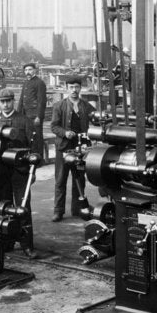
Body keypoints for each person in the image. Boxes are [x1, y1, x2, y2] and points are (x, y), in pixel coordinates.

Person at [0, 89, 38, 258]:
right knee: (3, 207)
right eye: (2, 101)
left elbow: (35, 150)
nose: (5, 104)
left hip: (21, 171)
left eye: (8, 101)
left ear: (13, 101)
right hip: (2, 172)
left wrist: (32, 172)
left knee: (23, 208)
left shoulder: (24, 121)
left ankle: (27, 245)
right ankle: (7, 242)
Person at [50, 74, 95, 222]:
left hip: (80, 149)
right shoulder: (59, 106)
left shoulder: (86, 106)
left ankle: (77, 209)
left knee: (79, 179)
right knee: (60, 180)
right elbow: (54, 126)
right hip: (63, 148)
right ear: (66, 89)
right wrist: (65, 133)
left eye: (76, 87)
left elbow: (96, 120)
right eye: (71, 87)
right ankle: (58, 211)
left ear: (80, 88)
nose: (74, 90)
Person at [20, 62, 48, 161]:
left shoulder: (39, 83)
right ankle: (30, 158)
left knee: (37, 138)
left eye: (30, 70)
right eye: (26, 70)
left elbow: (42, 101)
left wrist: (39, 117)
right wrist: (19, 115)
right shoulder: (25, 83)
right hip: (26, 115)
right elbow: (21, 100)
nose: (28, 72)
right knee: (27, 136)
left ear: (35, 70)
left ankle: (38, 160)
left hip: (35, 116)